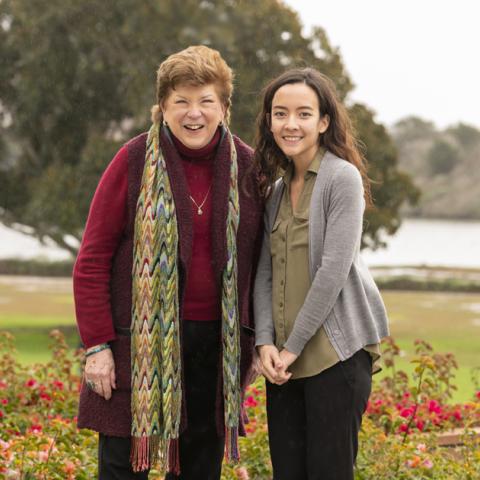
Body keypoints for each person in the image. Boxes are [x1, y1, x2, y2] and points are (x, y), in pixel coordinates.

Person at [73, 45, 263, 480]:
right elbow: (92, 259)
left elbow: (260, 266)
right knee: (124, 466)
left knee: (199, 465)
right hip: (136, 342)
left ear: (224, 107)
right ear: (162, 107)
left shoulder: (249, 168)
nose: (193, 113)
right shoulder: (134, 160)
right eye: (181, 101)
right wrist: (98, 345)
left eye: (205, 102)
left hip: (215, 346)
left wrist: (254, 339)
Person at [253, 68, 389, 480]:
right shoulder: (276, 190)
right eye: (280, 114)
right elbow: (264, 273)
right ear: (269, 121)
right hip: (282, 365)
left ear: (324, 121)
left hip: (334, 359)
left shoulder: (341, 179)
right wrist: (264, 346)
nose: (290, 124)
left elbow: (333, 271)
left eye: (303, 113)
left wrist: (290, 347)